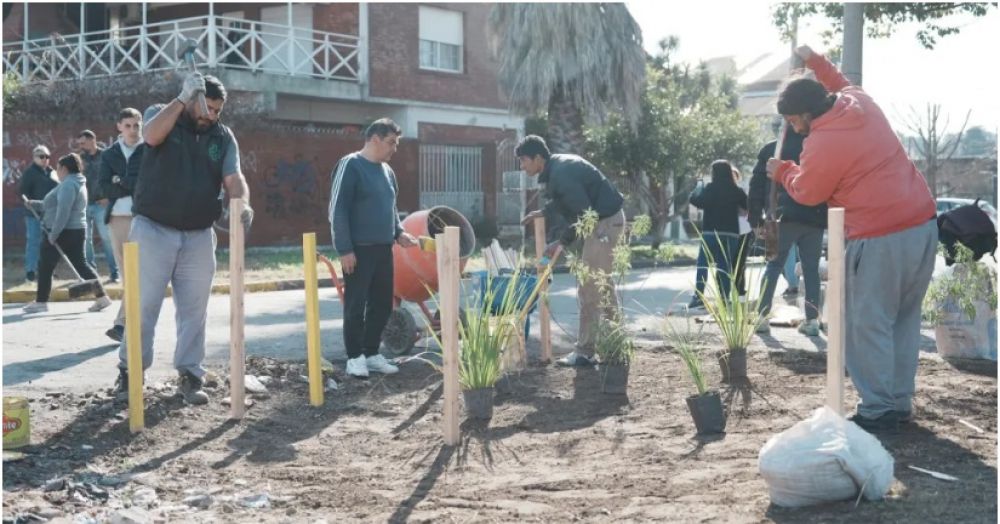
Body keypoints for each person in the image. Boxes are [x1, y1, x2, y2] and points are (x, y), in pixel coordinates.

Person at [767, 45, 937, 431]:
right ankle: (897, 400)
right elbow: (838, 80)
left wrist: (784, 171)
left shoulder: (823, 143)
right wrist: (814, 60)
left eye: (795, 120)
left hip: (880, 236)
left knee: (866, 323)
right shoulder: (857, 101)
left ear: (808, 114)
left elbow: (808, 192)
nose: (794, 128)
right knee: (904, 320)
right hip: (923, 224)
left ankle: (877, 409)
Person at [116, 72, 253, 405]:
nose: (213, 116)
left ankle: (191, 374)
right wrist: (180, 99)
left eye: (219, 111)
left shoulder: (222, 135)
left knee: (194, 309)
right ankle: (130, 372)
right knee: (143, 305)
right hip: (152, 229)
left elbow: (233, 177)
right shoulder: (162, 115)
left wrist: (242, 203)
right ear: (193, 99)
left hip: (198, 235)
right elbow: (150, 137)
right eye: (209, 107)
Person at [517, 135, 625, 367]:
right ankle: (616, 344)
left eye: (524, 160)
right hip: (606, 220)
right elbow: (564, 200)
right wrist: (543, 212)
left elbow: (582, 215)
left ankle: (585, 351)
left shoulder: (560, 173)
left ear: (538, 158)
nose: (522, 166)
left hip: (603, 224)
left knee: (589, 285)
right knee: (601, 283)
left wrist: (560, 242)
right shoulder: (558, 167)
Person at [329, 118, 418, 379]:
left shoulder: (387, 171)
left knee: (382, 305)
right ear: (375, 139)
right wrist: (344, 249)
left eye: (396, 144)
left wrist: (399, 232)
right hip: (357, 250)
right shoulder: (350, 165)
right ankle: (354, 357)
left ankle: (371, 353)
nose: (394, 149)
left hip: (383, 250)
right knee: (356, 305)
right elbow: (338, 210)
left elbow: (390, 209)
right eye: (391, 143)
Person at [749, 127, 827, 337]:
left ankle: (761, 318)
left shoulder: (771, 150)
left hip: (779, 216)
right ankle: (812, 320)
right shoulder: (815, 148)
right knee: (811, 269)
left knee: (773, 265)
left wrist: (755, 219)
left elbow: (756, 185)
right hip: (815, 217)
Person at [21, 153, 111, 314]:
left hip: (64, 231)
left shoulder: (69, 185)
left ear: (64, 168)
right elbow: (54, 205)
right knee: (81, 265)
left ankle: (41, 302)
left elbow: (64, 211)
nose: (56, 171)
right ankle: (102, 298)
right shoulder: (77, 182)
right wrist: (34, 204)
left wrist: (54, 234)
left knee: (45, 266)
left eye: (58, 168)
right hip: (75, 230)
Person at [99, 108, 145, 342]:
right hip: (117, 219)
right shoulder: (109, 155)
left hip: (144, 218)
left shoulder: (150, 150)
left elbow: (147, 183)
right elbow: (103, 187)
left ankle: (121, 324)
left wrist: (122, 181)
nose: (133, 130)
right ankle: (125, 325)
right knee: (129, 276)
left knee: (138, 275)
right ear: (119, 127)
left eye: (137, 125)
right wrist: (128, 184)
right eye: (128, 125)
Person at [688, 160, 748, 305]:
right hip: (731, 234)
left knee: (703, 264)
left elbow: (696, 201)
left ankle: (698, 297)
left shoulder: (710, 188)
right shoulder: (736, 190)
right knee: (724, 267)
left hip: (711, 233)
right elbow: (747, 206)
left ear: (714, 173)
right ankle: (724, 298)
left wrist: (698, 186)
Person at [78, 129, 119, 283]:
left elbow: (116, 176)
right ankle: (91, 275)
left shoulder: (106, 156)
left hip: (101, 204)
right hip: (83, 205)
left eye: (83, 142)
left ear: (92, 140)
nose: (81, 146)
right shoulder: (80, 158)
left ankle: (114, 273)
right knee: (85, 240)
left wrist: (109, 196)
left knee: (107, 239)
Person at [18, 145, 58, 282]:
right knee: (34, 242)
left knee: (49, 243)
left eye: (47, 156)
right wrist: (27, 202)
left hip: (50, 214)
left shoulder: (52, 172)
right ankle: (31, 271)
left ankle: (48, 271)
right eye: (41, 156)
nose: (45, 159)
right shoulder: (29, 173)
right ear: (34, 157)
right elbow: (22, 192)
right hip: (33, 214)